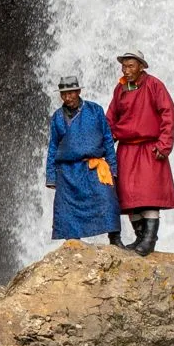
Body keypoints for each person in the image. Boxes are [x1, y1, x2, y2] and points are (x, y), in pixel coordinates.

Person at [106, 49, 174, 256]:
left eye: (130, 66)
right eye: (124, 66)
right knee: (129, 195)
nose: (126, 70)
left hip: (149, 148)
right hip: (126, 148)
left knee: (149, 195)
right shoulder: (120, 89)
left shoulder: (155, 85)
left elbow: (168, 114)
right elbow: (111, 117)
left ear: (141, 67)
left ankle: (149, 240)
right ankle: (139, 237)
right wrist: (104, 142)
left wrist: (164, 145)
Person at [46, 76, 121, 245]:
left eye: (71, 93)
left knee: (107, 199)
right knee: (66, 208)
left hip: (93, 166)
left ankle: (115, 239)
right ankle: (72, 242)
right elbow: (53, 147)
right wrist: (51, 176)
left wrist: (113, 168)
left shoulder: (95, 110)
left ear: (78, 91)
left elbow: (108, 139)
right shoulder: (57, 117)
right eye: (64, 94)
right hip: (67, 171)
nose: (67, 97)